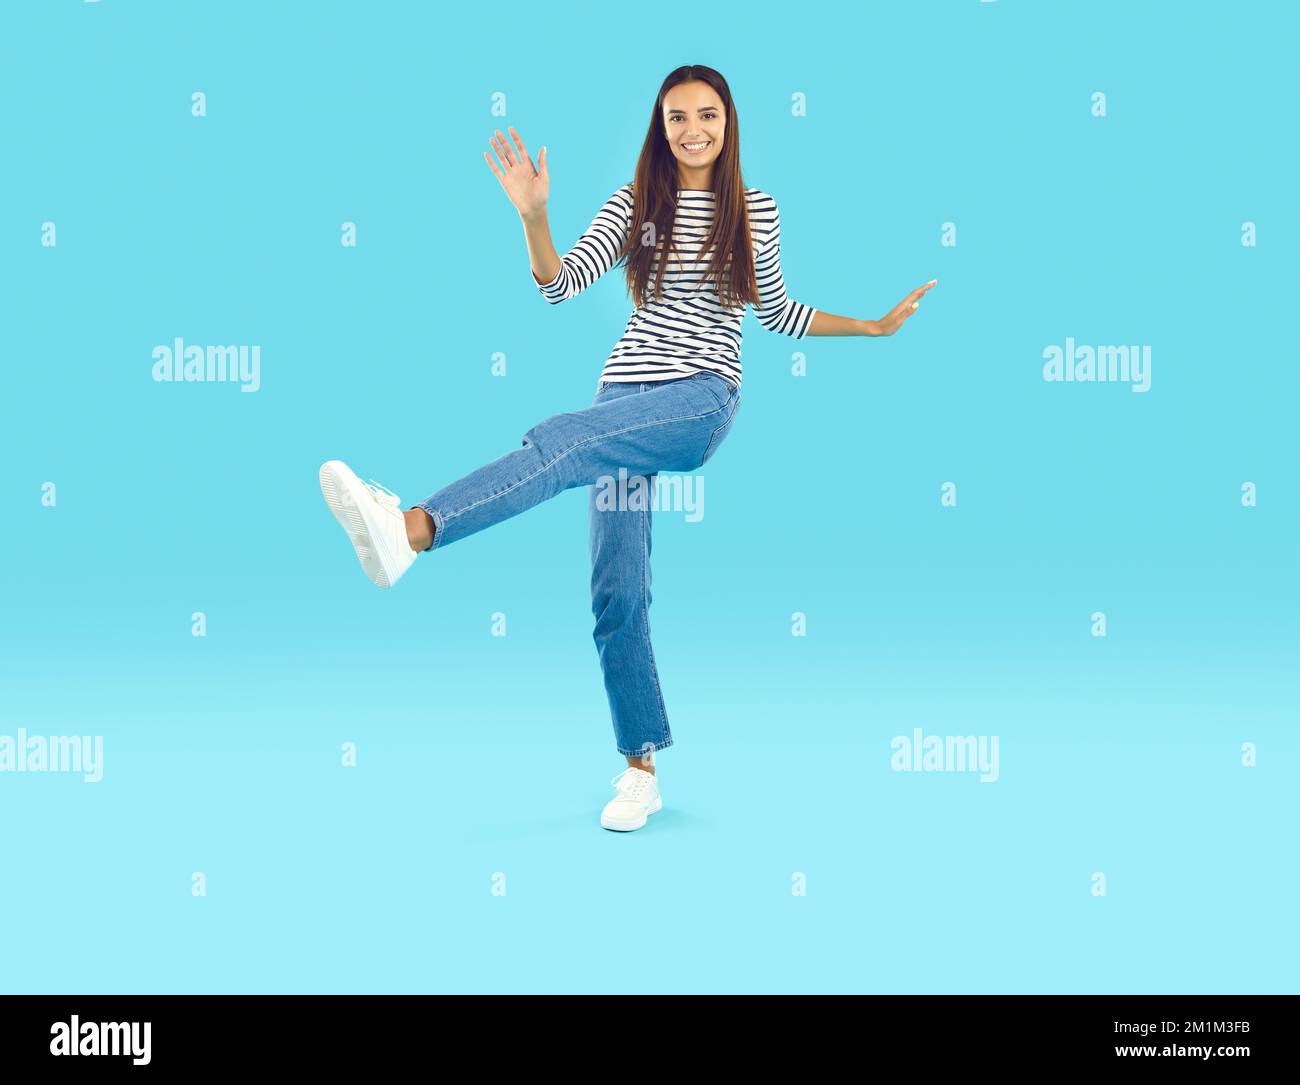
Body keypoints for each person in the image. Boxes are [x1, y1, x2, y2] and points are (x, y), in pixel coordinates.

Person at [319, 64, 936, 831]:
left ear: (728, 123)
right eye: (676, 117)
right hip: (622, 399)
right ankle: (640, 766)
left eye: (706, 115)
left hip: (699, 399)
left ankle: (413, 528)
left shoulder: (755, 209)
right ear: (660, 126)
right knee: (617, 586)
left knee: (564, 440)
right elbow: (559, 283)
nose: (692, 130)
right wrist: (533, 217)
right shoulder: (635, 206)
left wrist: (873, 326)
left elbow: (778, 312)